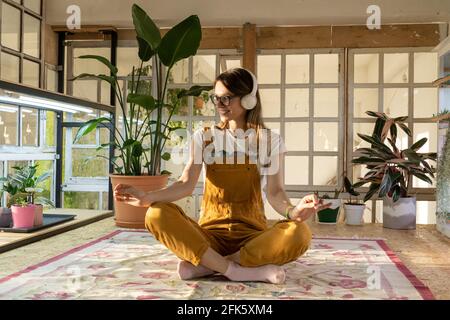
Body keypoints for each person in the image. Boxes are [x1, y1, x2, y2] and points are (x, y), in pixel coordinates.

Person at [114, 67, 331, 284]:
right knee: (155, 214)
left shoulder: (270, 141)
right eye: (216, 98)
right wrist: (147, 197)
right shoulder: (204, 137)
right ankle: (238, 270)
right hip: (209, 237)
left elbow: (275, 192)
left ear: (248, 100)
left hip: (252, 238)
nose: (219, 104)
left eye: (226, 98)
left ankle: (207, 266)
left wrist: (294, 211)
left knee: (299, 233)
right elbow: (185, 184)